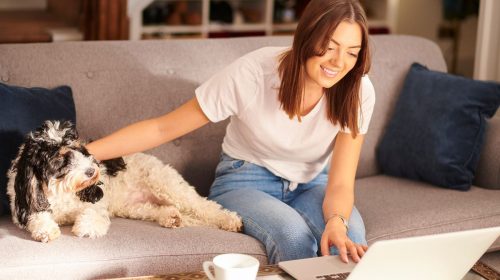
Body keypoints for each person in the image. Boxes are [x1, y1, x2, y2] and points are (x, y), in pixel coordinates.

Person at [87, 0, 375, 265]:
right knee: (294, 237)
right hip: (246, 179)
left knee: (350, 242)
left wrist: (337, 221)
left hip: (312, 183)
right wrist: (83, 154)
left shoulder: (357, 91)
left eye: (352, 52)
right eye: (330, 46)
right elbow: (164, 127)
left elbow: (340, 184)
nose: (339, 63)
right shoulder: (253, 74)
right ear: (306, 36)